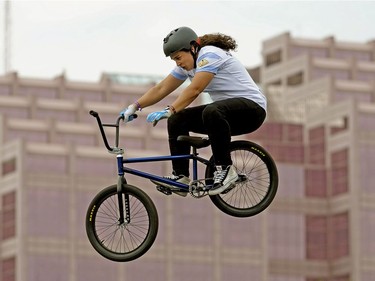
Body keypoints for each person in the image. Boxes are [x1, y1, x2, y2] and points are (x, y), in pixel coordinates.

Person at [120, 26, 267, 196]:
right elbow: (161, 89)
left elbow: (195, 89)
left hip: (252, 110)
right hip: (225, 114)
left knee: (210, 111)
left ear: (192, 48)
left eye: (179, 58)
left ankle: (226, 169)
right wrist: (134, 106)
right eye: (174, 60)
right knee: (177, 119)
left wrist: (171, 108)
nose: (178, 63)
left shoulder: (210, 54)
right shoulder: (187, 66)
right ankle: (181, 176)